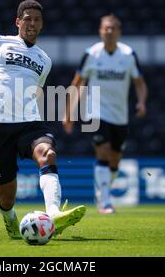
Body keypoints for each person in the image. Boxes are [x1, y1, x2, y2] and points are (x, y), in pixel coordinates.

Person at [0, 0, 86, 239]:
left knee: (47, 154)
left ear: (42, 25)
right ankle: (9, 217)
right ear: (18, 21)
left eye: (37, 20)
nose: (32, 23)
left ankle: (54, 213)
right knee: (7, 197)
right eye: (27, 18)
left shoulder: (44, 60)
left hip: (30, 123)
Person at [62, 14, 148, 214]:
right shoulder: (91, 54)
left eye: (113, 28)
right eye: (105, 28)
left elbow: (140, 83)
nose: (109, 31)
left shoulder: (128, 55)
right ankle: (106, 202)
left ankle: (103, 191)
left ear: (119, 32)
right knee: (103, 150)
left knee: (115, 161)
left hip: (120, 115)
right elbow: (76, 84)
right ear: (100, 31)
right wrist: (68, 113)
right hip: (96, 111)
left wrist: (142, 101)